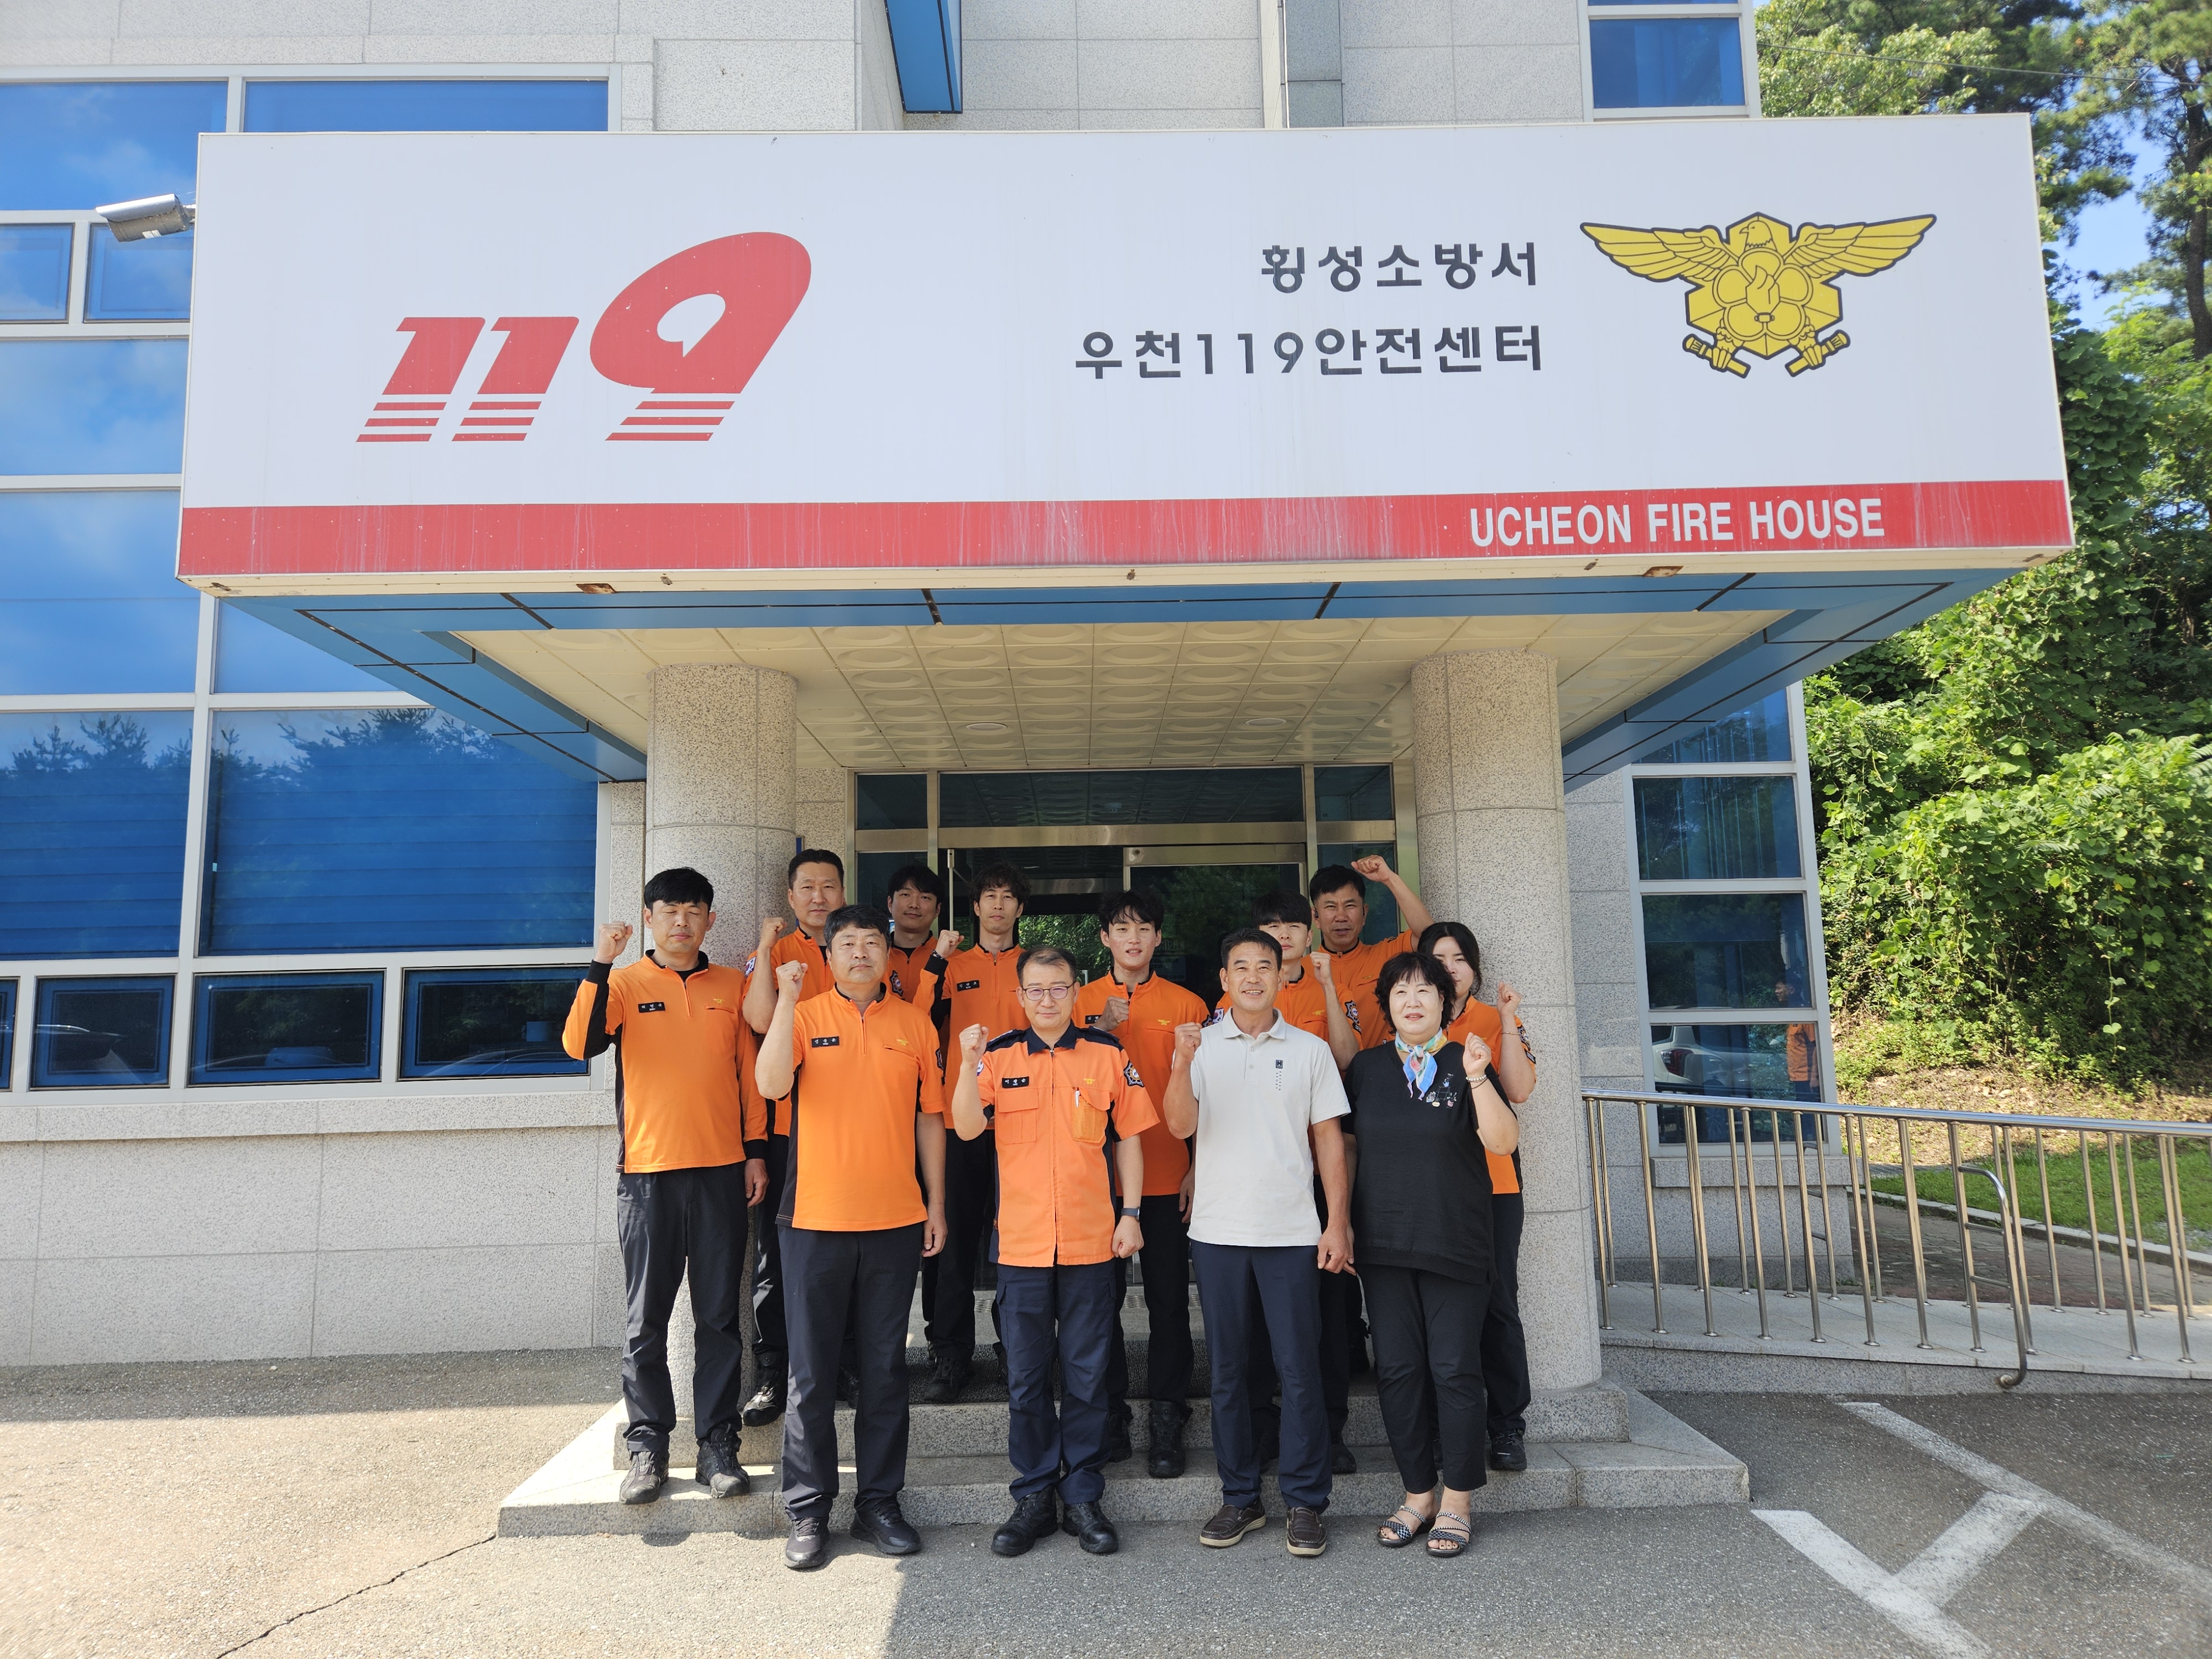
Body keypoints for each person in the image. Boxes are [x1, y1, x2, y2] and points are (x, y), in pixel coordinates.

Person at [562, 867, 769, 1506]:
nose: (682, 921)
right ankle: (648, 1448)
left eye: (694, 910)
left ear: (710, 920)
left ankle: (718, 1447)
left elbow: (748, 1076)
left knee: (719, 1320)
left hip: (721, 1172)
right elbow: (579, 1044)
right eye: (670, 910)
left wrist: (755, 1153)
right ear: (649, 918)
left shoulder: (732, 985)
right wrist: (600, 963)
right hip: (647, 1175)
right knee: (645, 1323)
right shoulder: (625, 984)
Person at [754, 904, 949, 1571]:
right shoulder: (805, 1016)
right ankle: (808, 1510)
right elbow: (771, 1083)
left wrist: (935, 1204)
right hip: (815, 1221)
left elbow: (930, 1119)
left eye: (872, 943)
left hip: (895, 1220)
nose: (861, 953)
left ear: (889, 956)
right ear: (828, 956)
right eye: (848, 944)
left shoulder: (915, 1023)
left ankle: (879, 1504)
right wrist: (786, 998)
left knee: (885, 1371)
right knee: (811, 1374)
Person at [951, 946, 1156, 1558]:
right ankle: (1035, 1494)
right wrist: (966, 1063)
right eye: (1036, 990)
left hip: (1093, 1242)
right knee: (1027, 1378)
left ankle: (1084, 1493)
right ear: (1021, 996)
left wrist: (1132, 1214)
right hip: (1022, 1245)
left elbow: (1129, 1138)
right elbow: (966, 1126)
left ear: (1075, 991)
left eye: (1058, 988)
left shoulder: (1106, 1054)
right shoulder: (997, 1056)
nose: (1047, 999)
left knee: (1089, 1378)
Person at [1161, 928, 1352, 1559]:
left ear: (1281, 976)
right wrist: (1181, 1062)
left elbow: (1329, 1140)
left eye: (1263, 966)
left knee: (1299, 1370)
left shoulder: (1309, 1050)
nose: (1251, 977)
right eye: (1239, 966)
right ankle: (1239, 1496)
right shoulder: (1200, 1044)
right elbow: (1179, 1125)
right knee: (1229, 1372)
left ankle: (1305, 1501)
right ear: (1223, 979)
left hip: (1291, 1231)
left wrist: (1337, 1222)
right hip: (1218, 1232)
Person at [1345, 952, 1520, 1559]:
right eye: (1400, 992)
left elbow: (1503, 1141)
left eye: (1425, 991)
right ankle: (1418, 1494)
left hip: (1454, 1240)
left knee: (1454, 1370)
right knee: (1397, 1371)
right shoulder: (1367, 1068)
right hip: (1384, 1243)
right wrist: (1341, 1224)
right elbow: (1348, 1151)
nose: (1413, 1001)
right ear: (1387, 1005)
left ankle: (1458, 1501)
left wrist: (1477, 1076)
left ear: (1445, 1001)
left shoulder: (1467, 1058)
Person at [1072, 889, 1208, 1475]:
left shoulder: (1188, 1004)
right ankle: (1111, 1415)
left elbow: (1208, 1095)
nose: (1133, 939)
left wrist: (1198, 1167)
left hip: (1167, 1174)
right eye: (1122, 929)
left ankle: (1168, 1415)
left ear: (1158, 938)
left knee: (1169, 1303)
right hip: (1096, 1181)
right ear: (1105, 937)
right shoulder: (1075, 1001)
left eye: (1144, 928)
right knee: (1098, 1305)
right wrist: (1100, 1029)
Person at [1225, 895, 1360, 1475]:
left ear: (1308, 937)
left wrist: (1327, 986)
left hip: (1318, 1177)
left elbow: (1348, 1060)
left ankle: (1329, 1431)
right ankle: (1262, 1430)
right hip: (1255, 1184)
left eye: (1292, 927)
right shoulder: (1233, 1003)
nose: (1282, 936)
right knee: (1256, 1319)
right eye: (1270, 927)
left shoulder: (1328, 991)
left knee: (1325, 1317)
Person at [1418, 920, 1538, 1473]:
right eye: (1438, 958)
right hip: (1429, 1187)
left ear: (1475, 968)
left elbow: (1519, 1089)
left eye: (1459, 958)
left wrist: (1509, 1020)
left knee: (1497, 1303)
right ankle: (1441, 1428)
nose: (1450, 968)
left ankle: (1507, 1425)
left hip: (1493, 1184)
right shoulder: (1407, 1019)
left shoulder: (1492, 1019)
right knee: (1434, 1310)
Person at [737, 848, 849, 1429]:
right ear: (790, 896)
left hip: (852, 1131)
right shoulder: (778, 953)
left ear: (843, 892)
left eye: (829, 886)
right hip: (787, 1130)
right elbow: (758, 1021)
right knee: (776, 1258)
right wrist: (764, 946)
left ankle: (845, 1366)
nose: (818, 897)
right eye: (807, 887)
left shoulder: (857, 948)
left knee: (850, 1253)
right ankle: (772, 1373)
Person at [922, 861, 1031, 1404]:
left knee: (1017, 1242)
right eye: (990, 896)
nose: (998, 905)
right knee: (955, 1244)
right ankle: (950, 1355)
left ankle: (1018, 1349)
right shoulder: (952, 965)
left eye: (1008, 896)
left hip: (1022, 1120)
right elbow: (917, 1020)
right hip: (959, 1119)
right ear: (976, 906)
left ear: (1020, 908)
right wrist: (937, 961)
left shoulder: (1035, 967)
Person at [1310, 857, 1435, 1050]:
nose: (1341, 916)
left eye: (1350, 906)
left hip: (1382, 1067)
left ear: (1365, 913)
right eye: (1331, 907)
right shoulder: (1301, 970)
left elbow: (1429, 936)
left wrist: (1390, 879)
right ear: (1315, 917)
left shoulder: (1388, 955)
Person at [885, 862, 961, 1008]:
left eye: (925, 897)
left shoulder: (957, 960)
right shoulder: (873, 957)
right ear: (890, 903)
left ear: (938, 910)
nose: (914, 905)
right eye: (906, 895)